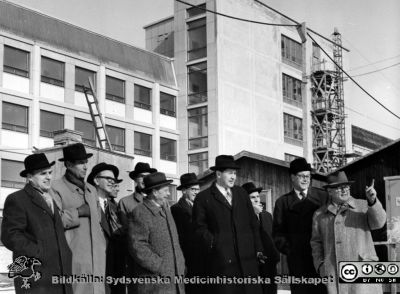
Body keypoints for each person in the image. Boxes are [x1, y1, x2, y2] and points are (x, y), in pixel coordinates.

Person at [1, 153, 72, 294]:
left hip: (60, 274)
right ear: (29, 177)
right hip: (36, 276)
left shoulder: (50, 198)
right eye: (43, 173)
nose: (49, 177)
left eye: (50, 172)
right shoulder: (17, 199)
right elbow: (10, 236)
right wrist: (39, 252)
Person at [193, 155, 264, 294]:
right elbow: (199, 229)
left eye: (235, 173)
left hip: (247, 260)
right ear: (218, 174)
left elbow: (253, 223)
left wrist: (258, 249)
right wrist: (215, 243)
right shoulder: (204, 198)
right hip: (222, 262)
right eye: (229, 173)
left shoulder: (241, 193)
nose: (233, 177)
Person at [311, 171, 386, 294]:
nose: (345, 190)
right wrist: (320, 266)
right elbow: (316, 243)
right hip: (333, 273)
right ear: (329, 191)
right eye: (340, 188)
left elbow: (379, 223)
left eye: (346, 186)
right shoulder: (320, 215)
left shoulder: (362, 205)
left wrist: (373, 201)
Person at [50, 143, 106, 294]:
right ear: (68, 164)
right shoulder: (55, 188)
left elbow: (98, 221)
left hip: (98, 259)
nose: (85, 167)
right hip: (74, 259)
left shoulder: (92, 190)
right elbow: (53, 222)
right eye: (81, 163)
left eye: (86, 162)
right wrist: (78, 212)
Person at [272, 157, 327, 294]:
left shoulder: (322, 197)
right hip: (298, 261)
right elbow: (278, 234)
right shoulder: (282, 202)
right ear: (292, 177)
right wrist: (291, 250)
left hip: (321, 258)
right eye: (301, 176)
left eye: (308, 176)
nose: (305, 180)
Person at [128, 172, 185, 294]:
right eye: (165, 191)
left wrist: (180, 263)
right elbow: (137, 246)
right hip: (155, 282)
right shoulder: (140, 212)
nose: (169, 193)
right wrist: (158, 265)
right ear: (154, 192)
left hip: (174, 277)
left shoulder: (165, 209)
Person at [117, 162, 157, 293]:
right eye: (141, 176)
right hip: (137, 261)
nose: (145, 179)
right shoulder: (125, 202)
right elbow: (126, 232)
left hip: (159, 258)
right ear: (135, 179)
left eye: (148, 176)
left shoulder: (161, 201)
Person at [87, 163, 124, 294]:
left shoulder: (114, 208)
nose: (112, 182)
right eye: (108, 178)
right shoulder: (87, 204)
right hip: (97, 267)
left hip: (116, 269)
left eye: (113, 179)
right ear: (96, 181)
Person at [242, 182, 279, 294]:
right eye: (253, 197)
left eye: (258, 196)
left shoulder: (267, 215)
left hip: (269, 265)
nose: (257, 200)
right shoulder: (240, 217)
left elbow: (271, 237)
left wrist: (275, 256)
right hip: (252, 265)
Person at [171, 173, 202, 294]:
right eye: (193, 189)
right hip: (188, 258)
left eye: (198, 189)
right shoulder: (177, 209)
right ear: (184, 190)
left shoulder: (201, 207)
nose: (196, 192)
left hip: (201, 257)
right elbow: (179, 238)